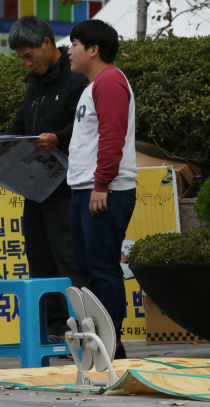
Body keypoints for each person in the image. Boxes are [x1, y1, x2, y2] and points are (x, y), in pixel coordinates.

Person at [1, 16, 87, 340]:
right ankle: (53, 329)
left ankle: (80, 328)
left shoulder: (75, 78)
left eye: (29, 55)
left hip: (64, 188)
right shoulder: (34, 86)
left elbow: (84, 126)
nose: (26, 63)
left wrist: (57, 138)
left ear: (47, 44)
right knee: (39, 258)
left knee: (68, 259)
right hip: (34, 188)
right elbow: (21, 128)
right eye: (21, 57)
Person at [67, 19, 137, 359]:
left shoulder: (110, 80)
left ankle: (113, 343)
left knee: (102, 267)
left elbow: (113, 135)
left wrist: (102, 185)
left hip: (105, 190)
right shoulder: (92, 84)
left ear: (93, 50)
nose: (70, 51)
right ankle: (98, 341)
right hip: (86, 189)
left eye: (74, 44)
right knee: (87, 267)